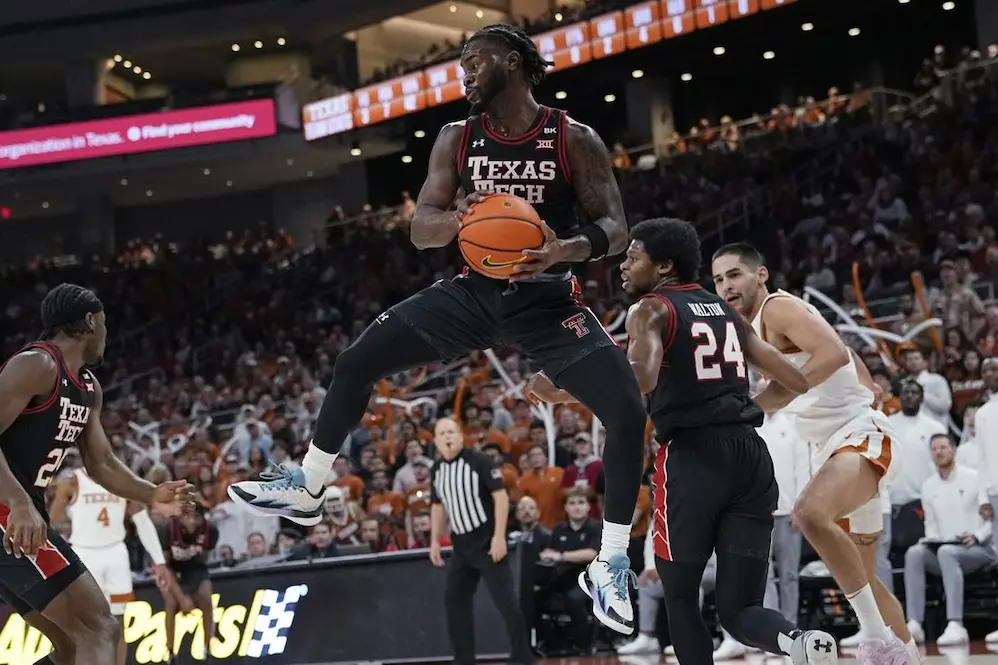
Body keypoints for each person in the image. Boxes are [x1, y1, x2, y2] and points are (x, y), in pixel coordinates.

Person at [228, 23, 649, 633]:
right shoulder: (457, 138)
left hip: (548, 301)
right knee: (354, 362)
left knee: (628, 411)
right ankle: (310, 484)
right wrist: (461, 218)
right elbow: (420, 227)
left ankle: (610, 562)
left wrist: (565, 249)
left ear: (511, 61)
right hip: (473, 294)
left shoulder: (571, 137)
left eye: (474, 62)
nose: (465, 73)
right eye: (461, 65)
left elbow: (615, 226)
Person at [528, 219, 835, 665]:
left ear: (665, 265)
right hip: (750, 456)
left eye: (633, 256)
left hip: (692, 461)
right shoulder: (725, 310)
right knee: (739, 609)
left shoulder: (649, 309)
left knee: (681, 598)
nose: (623, 266)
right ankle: (798, 642)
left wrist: (562, 386)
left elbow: (641, 378)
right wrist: (743, 406)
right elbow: (796, 379)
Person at [712, 243, 915, 664]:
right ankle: (907, 656)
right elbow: (846, 350)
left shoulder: (776, 310)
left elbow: (834, 353)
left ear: (761, 275)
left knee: (807, 514)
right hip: (831, 450)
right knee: (862, 579)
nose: (726, 285)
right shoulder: (751, 328)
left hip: (859, 435)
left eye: (734, 274)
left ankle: (876, 639)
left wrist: (772, 396)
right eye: (718, 279)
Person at [0, 283, 193, 665]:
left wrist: (151, 494)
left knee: (73, 646)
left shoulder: (88, 387)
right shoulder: (38, 364)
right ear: (90, 321)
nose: (107, 332)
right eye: (104, 322)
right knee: (100, 628)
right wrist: (18, 501)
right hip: (9, 510)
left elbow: (100, 463)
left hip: (20, 512)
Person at [428, 417, 533, 665]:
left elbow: (501, 498)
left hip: (487, 540)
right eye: (442, 433)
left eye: (452, 432)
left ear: (461, 436)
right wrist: (434, 540)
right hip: (461, 546)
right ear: (435, 440)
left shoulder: (480, 461)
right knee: (455, 602)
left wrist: (499, 537)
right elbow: (438, 506)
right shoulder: (437, 470)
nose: (447, 437)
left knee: (506, 603)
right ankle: (463, 659)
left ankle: (523, 658)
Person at [49, 467, 170, 665]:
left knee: (117, 622)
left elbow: (141, 519)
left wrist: (160, 561)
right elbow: (52, 521)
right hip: (84, 553)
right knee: (86, 624)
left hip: (116, 553)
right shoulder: (72, 481)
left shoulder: (121, 479)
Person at [158, 504, 219, 664]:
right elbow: (164, 567)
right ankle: (170, 653)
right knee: (172, 603)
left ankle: (207, 650)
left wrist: (192, 589)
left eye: (196, 517)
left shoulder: (210, 530)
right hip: (169, 568)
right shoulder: (167, 530)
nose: (192, 521)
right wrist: (182, 598)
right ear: (180, 516)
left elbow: (201, 562)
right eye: (187, 517)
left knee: (206, 598)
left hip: (194, 567)